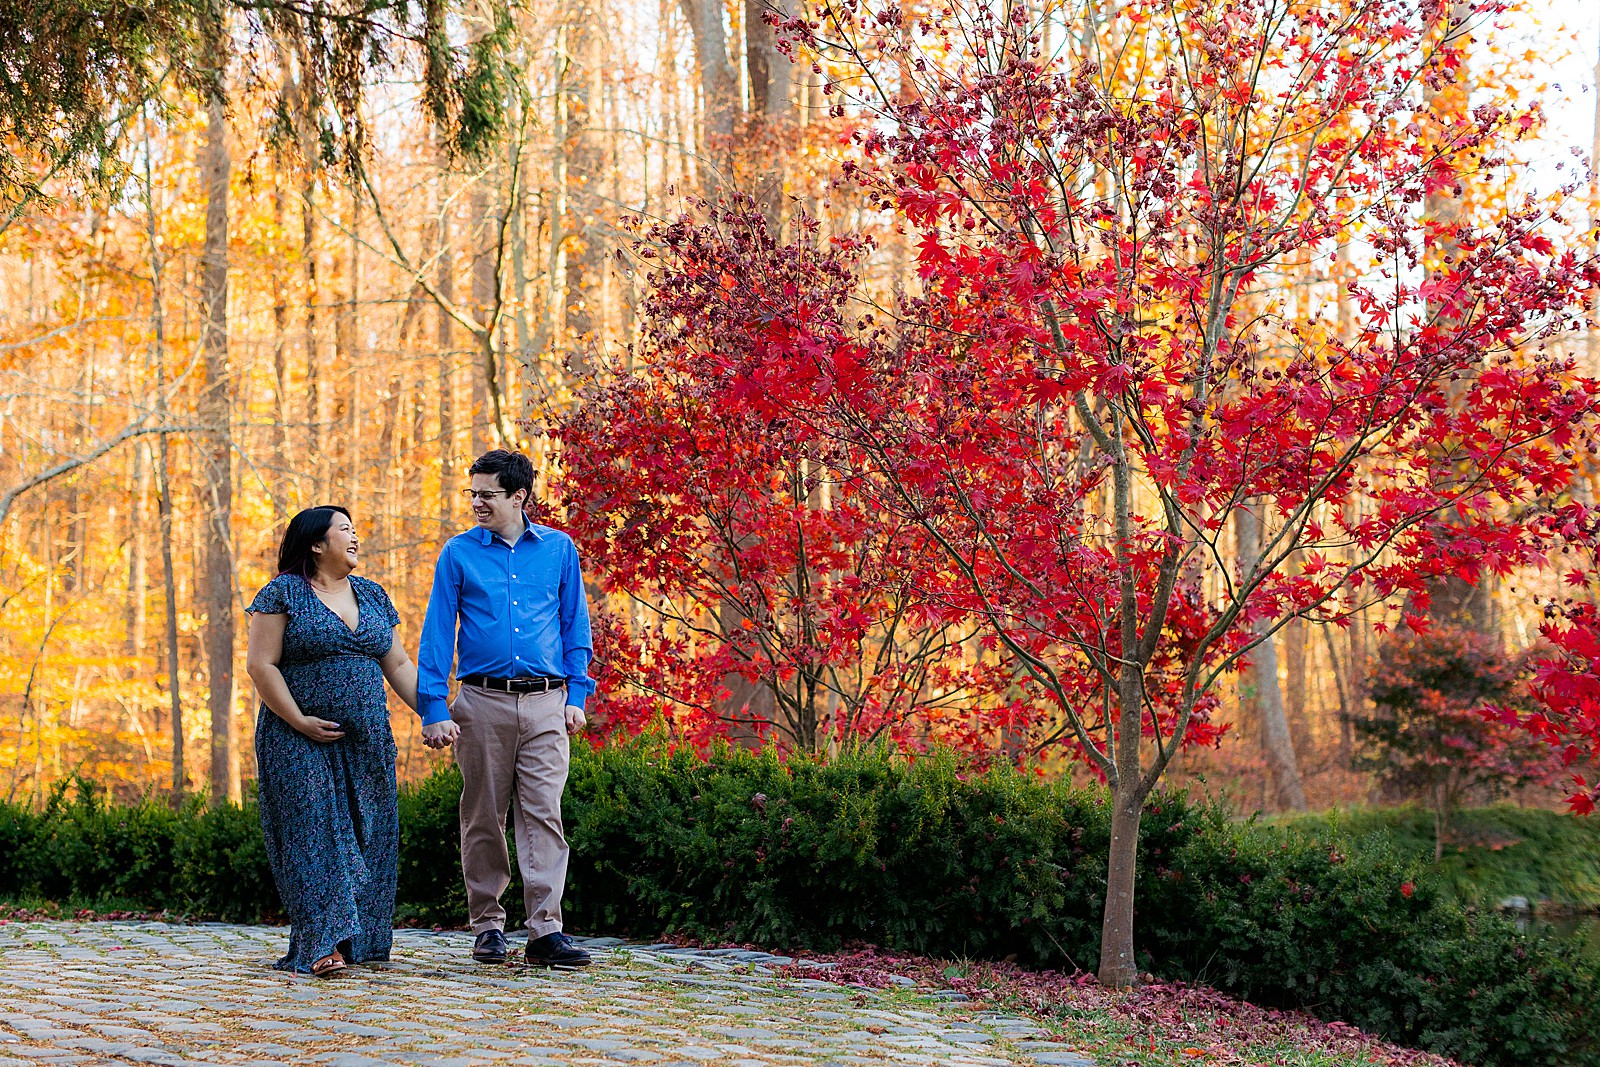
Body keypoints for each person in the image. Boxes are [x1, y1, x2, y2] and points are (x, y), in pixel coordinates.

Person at [416, 449, 596, 968]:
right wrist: (433, 705)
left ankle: (545, 933)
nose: (476, 503)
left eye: (487, 494)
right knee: (483, 818)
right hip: (480, 702)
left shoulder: (559, 550)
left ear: (519, 497)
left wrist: (577, 697)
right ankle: (488, 926)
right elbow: (436, 633)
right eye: (472, 493)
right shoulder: (458, 554)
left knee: (544, 815)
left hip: (547, 702)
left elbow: (574, 626)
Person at [245, 505, 420, 978]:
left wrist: (436, 712)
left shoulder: (372, 594)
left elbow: (400, 666)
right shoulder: (282, 593)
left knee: (369, 835)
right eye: (344, 529)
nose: (355, 535)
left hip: (366, 741)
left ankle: (358, 940)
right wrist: (300, 720)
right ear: (316, 544)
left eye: (355, 528)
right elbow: (261, 665)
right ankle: (320, 944)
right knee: (313, 833)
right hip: (295, 737)